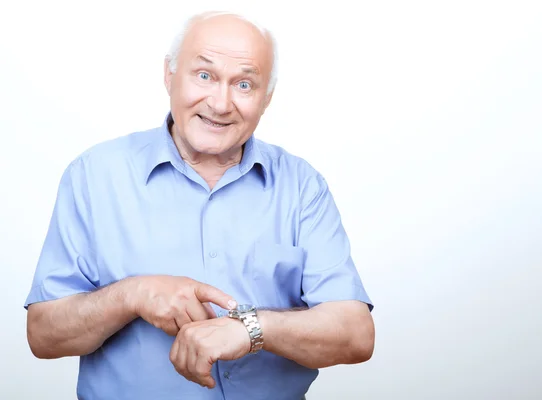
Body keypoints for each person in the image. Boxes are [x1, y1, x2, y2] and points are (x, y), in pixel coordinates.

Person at [24, 10, 375, 400]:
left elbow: (355, 334)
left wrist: (251, 328)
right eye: (204, 75)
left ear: (266, 99)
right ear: (169, 75)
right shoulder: (93, 175)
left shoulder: (302, 185)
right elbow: (43, 336)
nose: (221, 103)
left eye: (244, 84)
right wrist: (133, 295)